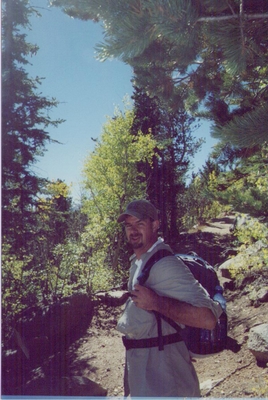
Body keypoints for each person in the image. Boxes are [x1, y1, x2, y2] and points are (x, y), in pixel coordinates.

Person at [116, 199, 222, 397]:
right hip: (144, 369)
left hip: (162, 376)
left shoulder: (166, 264)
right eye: (129, 225)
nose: (133, 230)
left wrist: (156, 302)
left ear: (155, 225)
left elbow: (208, 319)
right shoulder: (139, 260)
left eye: (140, 223)